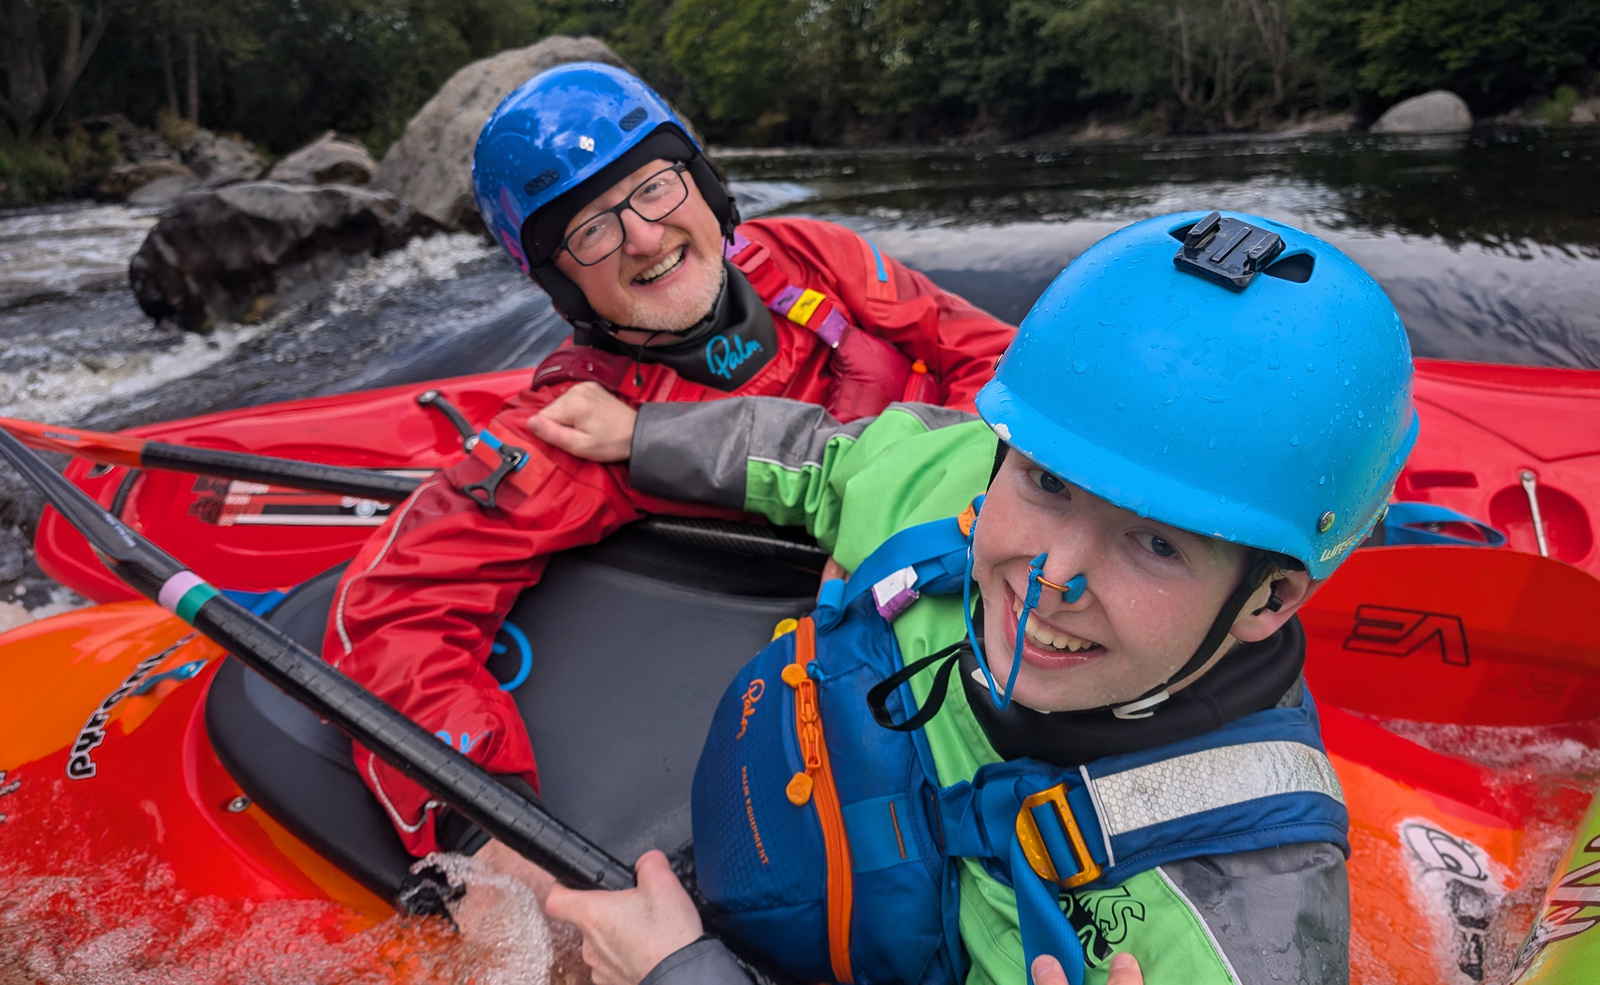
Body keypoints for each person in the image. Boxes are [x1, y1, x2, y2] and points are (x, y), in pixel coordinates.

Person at [531, 211, 1417, 985]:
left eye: (1155, 542)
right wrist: (647, 433)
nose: (1050, 574)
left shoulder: (1227, 934)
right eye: (1048, 485)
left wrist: (677, 973)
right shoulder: (975, 477)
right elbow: (833, 461)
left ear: (1268, 599)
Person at [323, 61, 1015, 868]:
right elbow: (388, 613)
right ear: (560, 283)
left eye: (653, 186)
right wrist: (484, 831)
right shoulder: (575, 428)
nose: (644, 238)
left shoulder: (809, 259)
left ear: (704, 183)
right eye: (589, 229)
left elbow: (1005, 370)